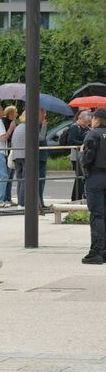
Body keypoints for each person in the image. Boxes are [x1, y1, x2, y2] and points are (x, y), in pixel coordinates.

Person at [80, 108, 106, 265]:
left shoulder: (93, 134)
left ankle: (96, 251)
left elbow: (87, 158)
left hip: (96, 177)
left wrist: (83, 156)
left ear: (96, 119)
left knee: (97, 214)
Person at [68, 112, 91, 201]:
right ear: (80, 119)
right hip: (76, 156)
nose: (86, 124)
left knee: (81, 177)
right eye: (85, 122)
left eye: (87, 122)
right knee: (80, 177)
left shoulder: (86, 128)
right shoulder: (74, 127)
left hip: (82, 156)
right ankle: (75, 198)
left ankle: (77, 197)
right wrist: (83, 144)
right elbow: (71, 141)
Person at [2, 105, 19, 204]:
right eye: (15, 112)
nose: (17, 114)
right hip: (7, 152)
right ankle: (5, 197)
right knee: (7, 175)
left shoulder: (13, 123)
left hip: (12, 152)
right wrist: (12, 129)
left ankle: (8, 197)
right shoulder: (4, 123)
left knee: (11, 176)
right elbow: (6, 137)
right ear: (11, 113)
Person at [11, 113, 27, 207]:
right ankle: (22, 202)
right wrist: (44, 127)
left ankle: (20, 202)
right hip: (25, 155)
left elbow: (13, 141)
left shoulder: (18, 127)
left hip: (16, 156)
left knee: (20, 179)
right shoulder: (28, 127)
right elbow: (39, 138)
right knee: (25, 180)